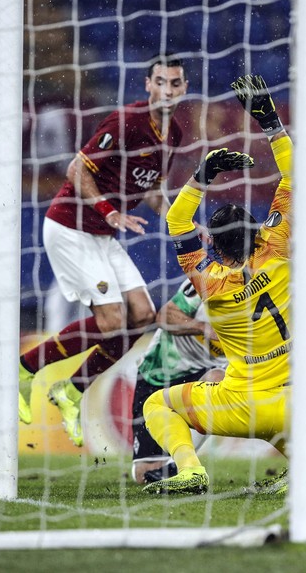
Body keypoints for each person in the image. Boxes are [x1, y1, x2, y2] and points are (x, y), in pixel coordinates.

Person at [141, 74, 306, 495]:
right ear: (257, 231)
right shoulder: (276, 249)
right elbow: (295, 179)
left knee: (157, 404)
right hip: (292, 405)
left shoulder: (208, 280)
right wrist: (271, 124)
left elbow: (178, 221)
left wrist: (202, 174)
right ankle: (304, 483)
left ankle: (191, 469)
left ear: (210, 241)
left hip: (235, 404)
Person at [17, 54, 189, 446]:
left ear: (184, 89)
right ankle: (25, 368)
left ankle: (72, 390)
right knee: (112, 320)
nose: (167, 90)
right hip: (71, 226)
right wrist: (109, 212)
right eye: (159, 81)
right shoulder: (127, 121)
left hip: (103, 234)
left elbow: (150, 191)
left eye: (174, 83)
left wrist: (185, 222)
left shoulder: (174, 135)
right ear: (148, 85)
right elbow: (76, 170)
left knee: (143, 315)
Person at [131, 279, 227, 484]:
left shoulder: (264, 296)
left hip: (204, 372)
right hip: (159, 373)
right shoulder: (209, 280)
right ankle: (171, 464)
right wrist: (202, 327)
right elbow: (165, 316)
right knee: (144, 475)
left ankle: (182, 465)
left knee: (217, 380)